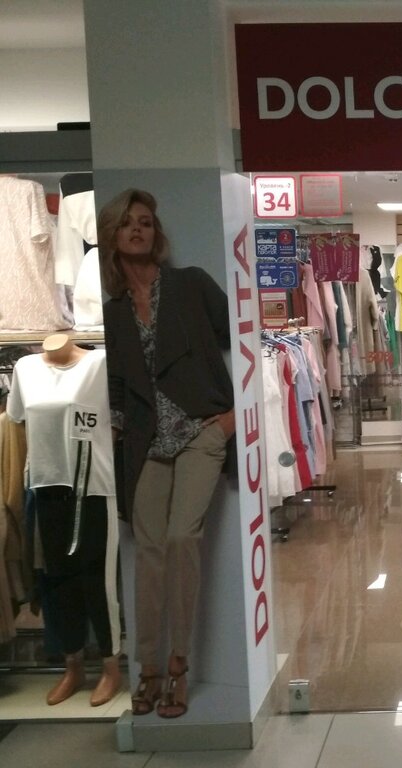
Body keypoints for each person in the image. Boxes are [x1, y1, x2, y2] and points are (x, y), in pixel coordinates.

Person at [99, 189, 234, 719]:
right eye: (128, 223)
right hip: (147, 441)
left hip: (201, 430)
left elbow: (246, 335)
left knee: (182, 539)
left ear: (156, 234)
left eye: (146, 222)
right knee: (149, 552)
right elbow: (116, 384)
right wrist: (116, 436)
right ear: (113, 235)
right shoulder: (114, 312)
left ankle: (179, 663)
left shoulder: (190, 284)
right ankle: (147, 668)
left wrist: (233, 418)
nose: (138, 229)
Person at [6, 333, 121, 707]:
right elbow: (18, 418)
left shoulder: (100, 364)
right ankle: (73, 666)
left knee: (98, 582)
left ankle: (110, 666)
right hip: (46, 485)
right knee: (58, 581)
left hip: (94, 487)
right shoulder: (25, 368)